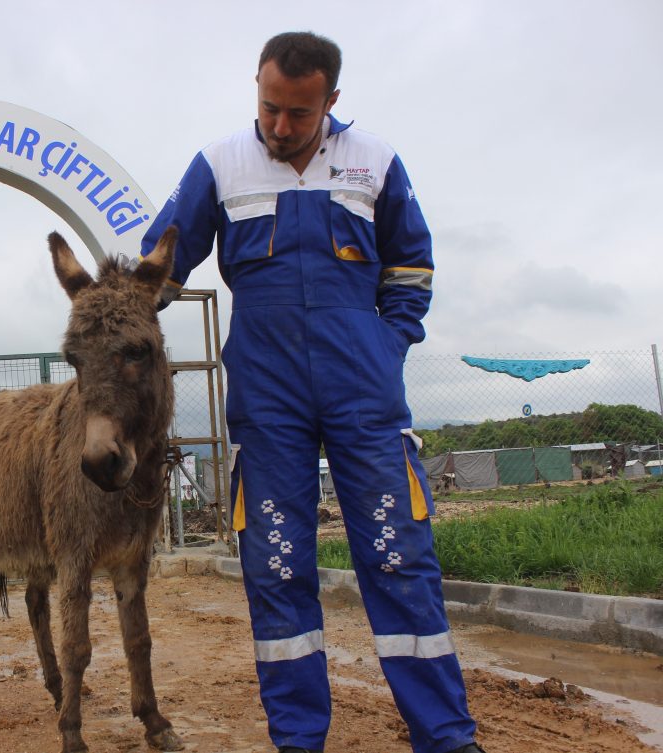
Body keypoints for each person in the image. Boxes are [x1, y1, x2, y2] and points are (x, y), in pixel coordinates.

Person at [139, 31, 484, 753]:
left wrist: (387, 347)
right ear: (257, 90)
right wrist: (125, 306)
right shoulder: (220, 164)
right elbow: (162, 261)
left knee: (398, 558)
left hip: (365, 397)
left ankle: (447, 738)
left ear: (331, 100)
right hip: (268, 402)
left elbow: (412, 267)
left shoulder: (376, 163)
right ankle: (298, 740)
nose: (280, 127)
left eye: (299, 112)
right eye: (269, 107)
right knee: (278, 568)